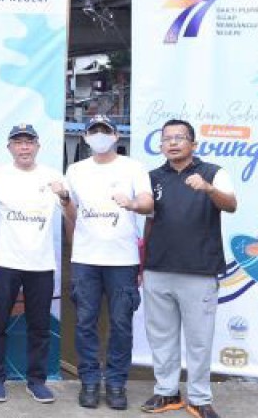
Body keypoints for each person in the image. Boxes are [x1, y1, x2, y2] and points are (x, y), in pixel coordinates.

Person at [140, 119, 237, 418]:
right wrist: (143, 265)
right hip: (158, 268)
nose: (172, 143)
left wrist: (208, 189)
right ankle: (167, 392)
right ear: (160, 145)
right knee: (161, 336)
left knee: (199, 339)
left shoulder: (213, 173)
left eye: (179, 137)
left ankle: (199, 397)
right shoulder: (152, 177)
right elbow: (149, 221)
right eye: (166, 138)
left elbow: (231, 204)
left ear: (193, 144)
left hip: (199, 270)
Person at [57, 115, 153, 410]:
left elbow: (149, 205)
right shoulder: (75, 170)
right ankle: (88, 382)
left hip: (122, 260)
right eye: (93, 131)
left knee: (121, 324)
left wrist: (133, 203)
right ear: (85, 137)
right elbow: (72, 215)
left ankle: (115, 384)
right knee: (85, 323)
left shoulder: (133, 167)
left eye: (105, 130)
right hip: (86, 259)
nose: (99, 135)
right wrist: (63, 199)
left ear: (115, 136)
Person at [0, 124, 62, 404]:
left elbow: (71, 212)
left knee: (39, 325)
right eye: (18, 142)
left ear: (38, 146)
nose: (24, 147)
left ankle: (36, 381)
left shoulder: (53, 176)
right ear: (9, 147)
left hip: (41, 263)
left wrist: (64, 195)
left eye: (29, 142)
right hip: (5, 261)